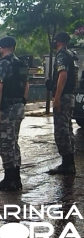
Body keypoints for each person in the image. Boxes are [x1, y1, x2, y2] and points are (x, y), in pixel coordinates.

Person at [0, 36, 29, 191]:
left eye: (0, 48)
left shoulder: (2, 64)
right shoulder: (22, 64)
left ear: (3, 48)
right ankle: (16, 178)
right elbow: (27, 85)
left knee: (5, 143)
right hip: (18, 106)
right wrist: (22, 102)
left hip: (6, 108)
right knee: (14, 142)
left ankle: (9, 180)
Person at [47, 32, 77, 175]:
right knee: (68, 128)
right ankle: (69, 162)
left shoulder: (62, 55)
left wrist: (57, 97)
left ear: (58, 41)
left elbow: (63, 75)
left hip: (64, 96)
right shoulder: (71, 55)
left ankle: (67, 164)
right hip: (70, 95)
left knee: (61, 131)